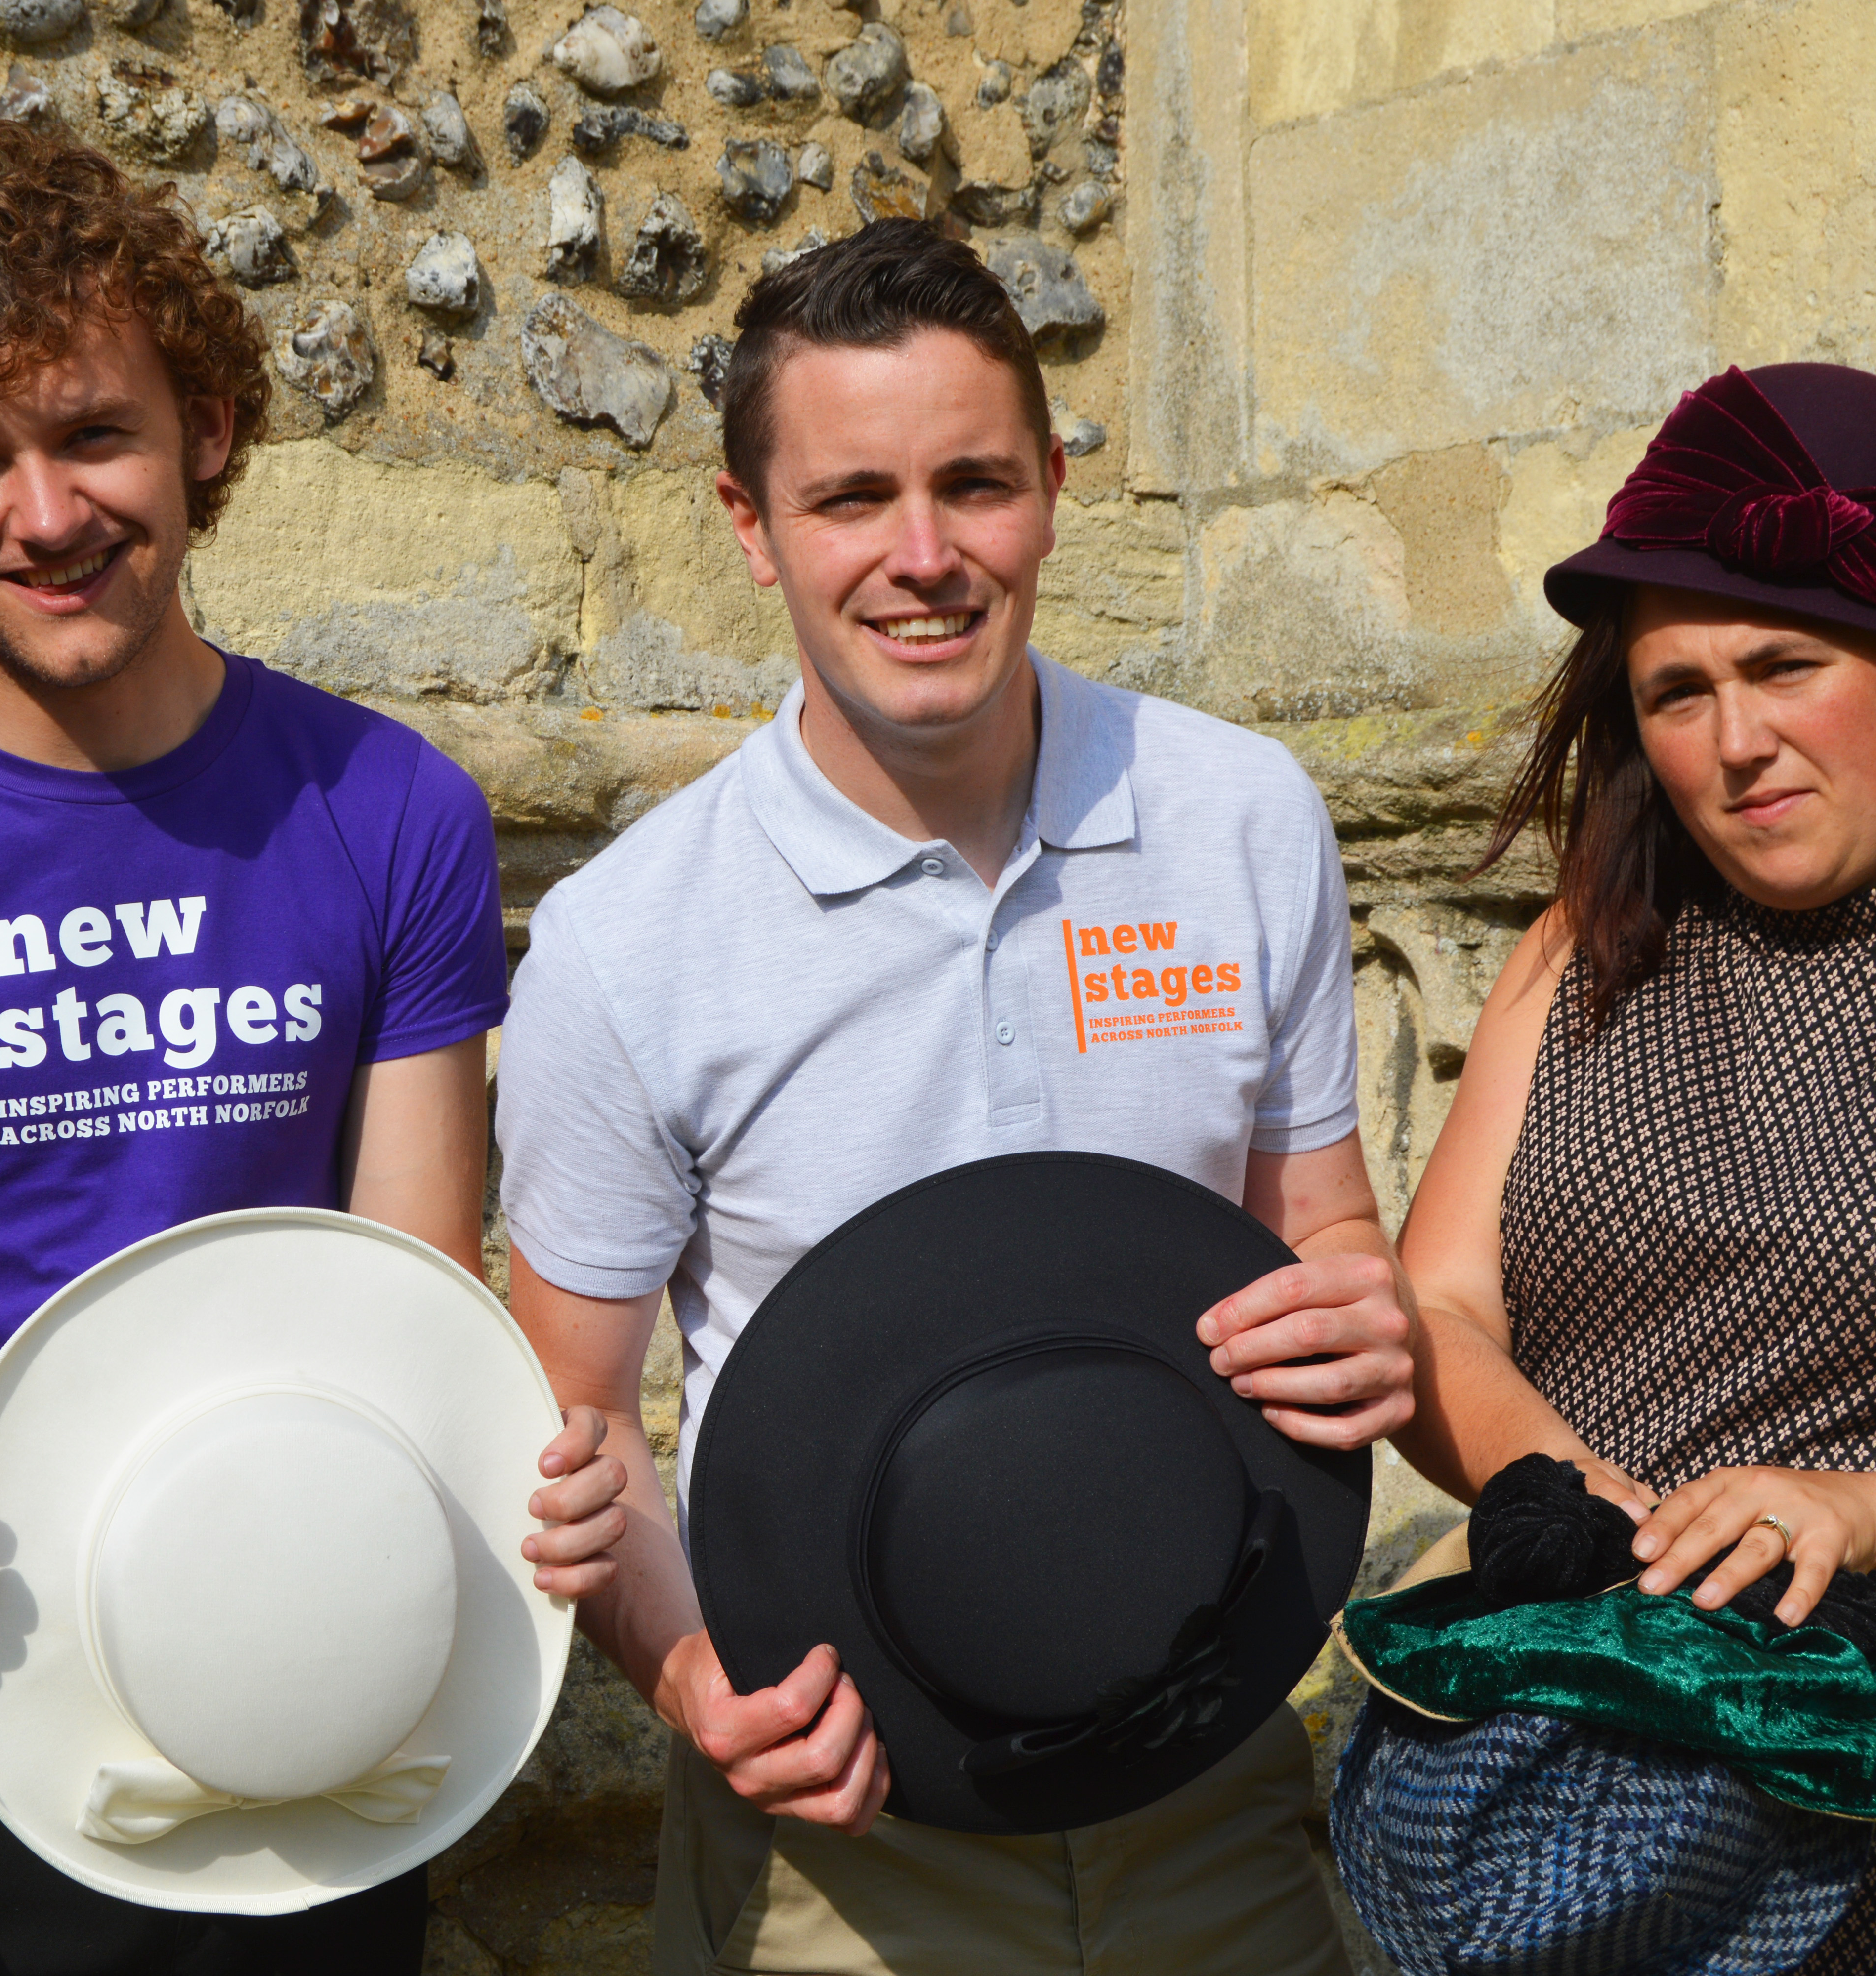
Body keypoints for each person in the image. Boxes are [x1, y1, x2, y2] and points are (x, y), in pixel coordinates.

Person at [0, 124, 611, 1974]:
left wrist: (530, 1465)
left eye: (94, 433)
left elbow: (407, 1292)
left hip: (324, 1656)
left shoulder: (390, 810)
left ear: (208, 433)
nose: (43, 515)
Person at [492, 218, 1417, 1976]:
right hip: (846, 1845)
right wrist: (699, 1685)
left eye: (977, 484)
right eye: (851, 500)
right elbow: (579, 1428)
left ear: (1056, 490)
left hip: (1211, 1775)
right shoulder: (628, 942)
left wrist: (1368, 1330)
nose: (924, 558)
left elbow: (1328, 1239)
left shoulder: (1241, 817)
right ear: (750, 531)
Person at [1396, 359, 1876, 1969]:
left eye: (1786, 665)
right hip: (1587, 1832)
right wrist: (1570, 1490)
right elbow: (1438, 1301)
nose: (1734, 741)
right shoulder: (1584, 951)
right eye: (1675, 691)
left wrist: (1862, 1515)